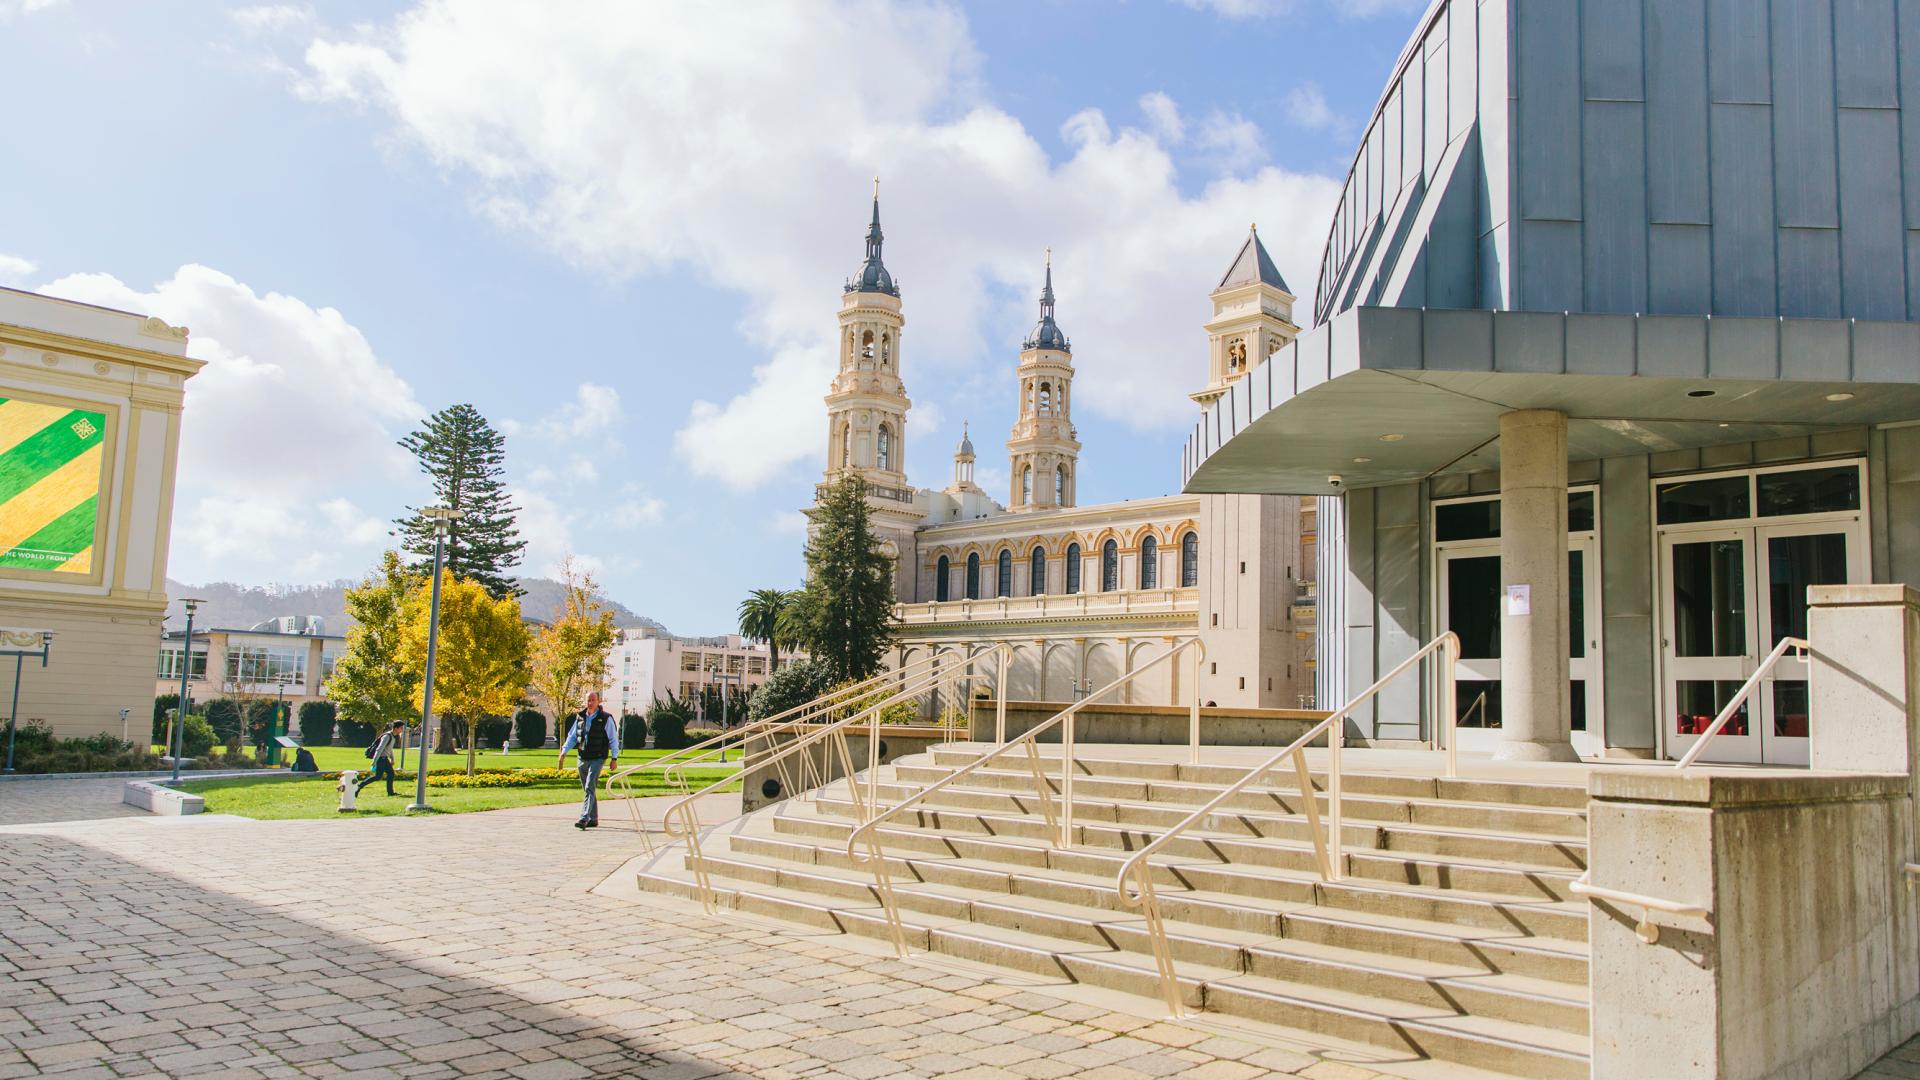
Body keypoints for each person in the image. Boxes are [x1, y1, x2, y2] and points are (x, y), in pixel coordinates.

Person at [557, 692, 620, 829]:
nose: (590, 703)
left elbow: (613, 739)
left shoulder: (605, 718)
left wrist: (614, 758)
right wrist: (564, 751)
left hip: (598, 757)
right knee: (588, 789)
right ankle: (593, 819)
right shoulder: (580, 717)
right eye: (588, 700)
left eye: (593, 700)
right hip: (582, 757)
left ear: (598, 701)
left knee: (589, 786)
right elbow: (573, 736)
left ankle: (584, 818)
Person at [356, 720, 405, 797]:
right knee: (382, 775)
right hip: (381, 759)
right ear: (396, 728)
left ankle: (390, 792)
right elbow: (379, 749)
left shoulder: (393, 737)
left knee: (385, 775)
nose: (402, 730)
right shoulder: (387, 736)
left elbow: (389, 749)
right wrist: (374, 761)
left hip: (384, 759)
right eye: (401, 728)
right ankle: (359, 787)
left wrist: (392, 759)